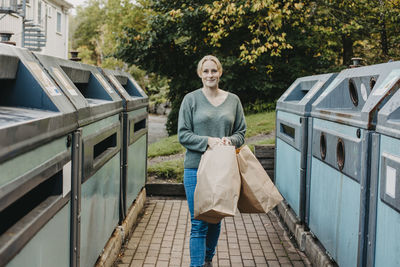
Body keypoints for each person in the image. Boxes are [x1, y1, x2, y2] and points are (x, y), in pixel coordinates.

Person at [178, 55, 246, 267]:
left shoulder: (233, 100)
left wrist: (230, 140)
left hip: (222, 170)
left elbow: (241, 132)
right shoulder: (190, 100)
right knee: (198, 223)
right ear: (200, 74)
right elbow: (183, 135)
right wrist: (208, 141)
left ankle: (207, 260)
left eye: (213, 71)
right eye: (206, 71)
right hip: (195, 170)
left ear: (220, 72)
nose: (210, 75)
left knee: (215, 219)